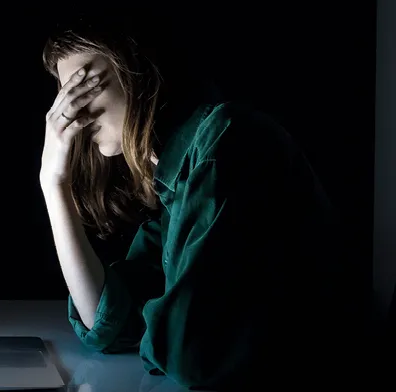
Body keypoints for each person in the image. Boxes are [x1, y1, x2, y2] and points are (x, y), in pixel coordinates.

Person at [39, 15, 349, 390]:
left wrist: (157, 328)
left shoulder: (224, 146)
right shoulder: (178, 181)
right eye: (65, 94)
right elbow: (108, 323)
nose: (74, 114)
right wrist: (53, 184)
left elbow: (190, 353)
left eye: (85, 85)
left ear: (136, 67)